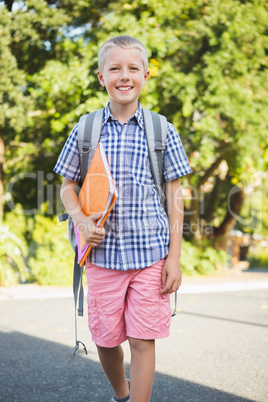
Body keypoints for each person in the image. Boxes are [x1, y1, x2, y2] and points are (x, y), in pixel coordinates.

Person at [54, 35, 192, 402]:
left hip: (150, 256)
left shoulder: (162, 130)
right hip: (102, 259)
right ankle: (122, 394)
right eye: (115, 68)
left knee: (142, 339)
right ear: (101, 77)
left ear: (146, 75)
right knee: (105, 339)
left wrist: (174, 258)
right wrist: (82, 221)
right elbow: (67, 186)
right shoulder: (86, 129)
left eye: (133, 68)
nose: (124, 75)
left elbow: (175, 197)